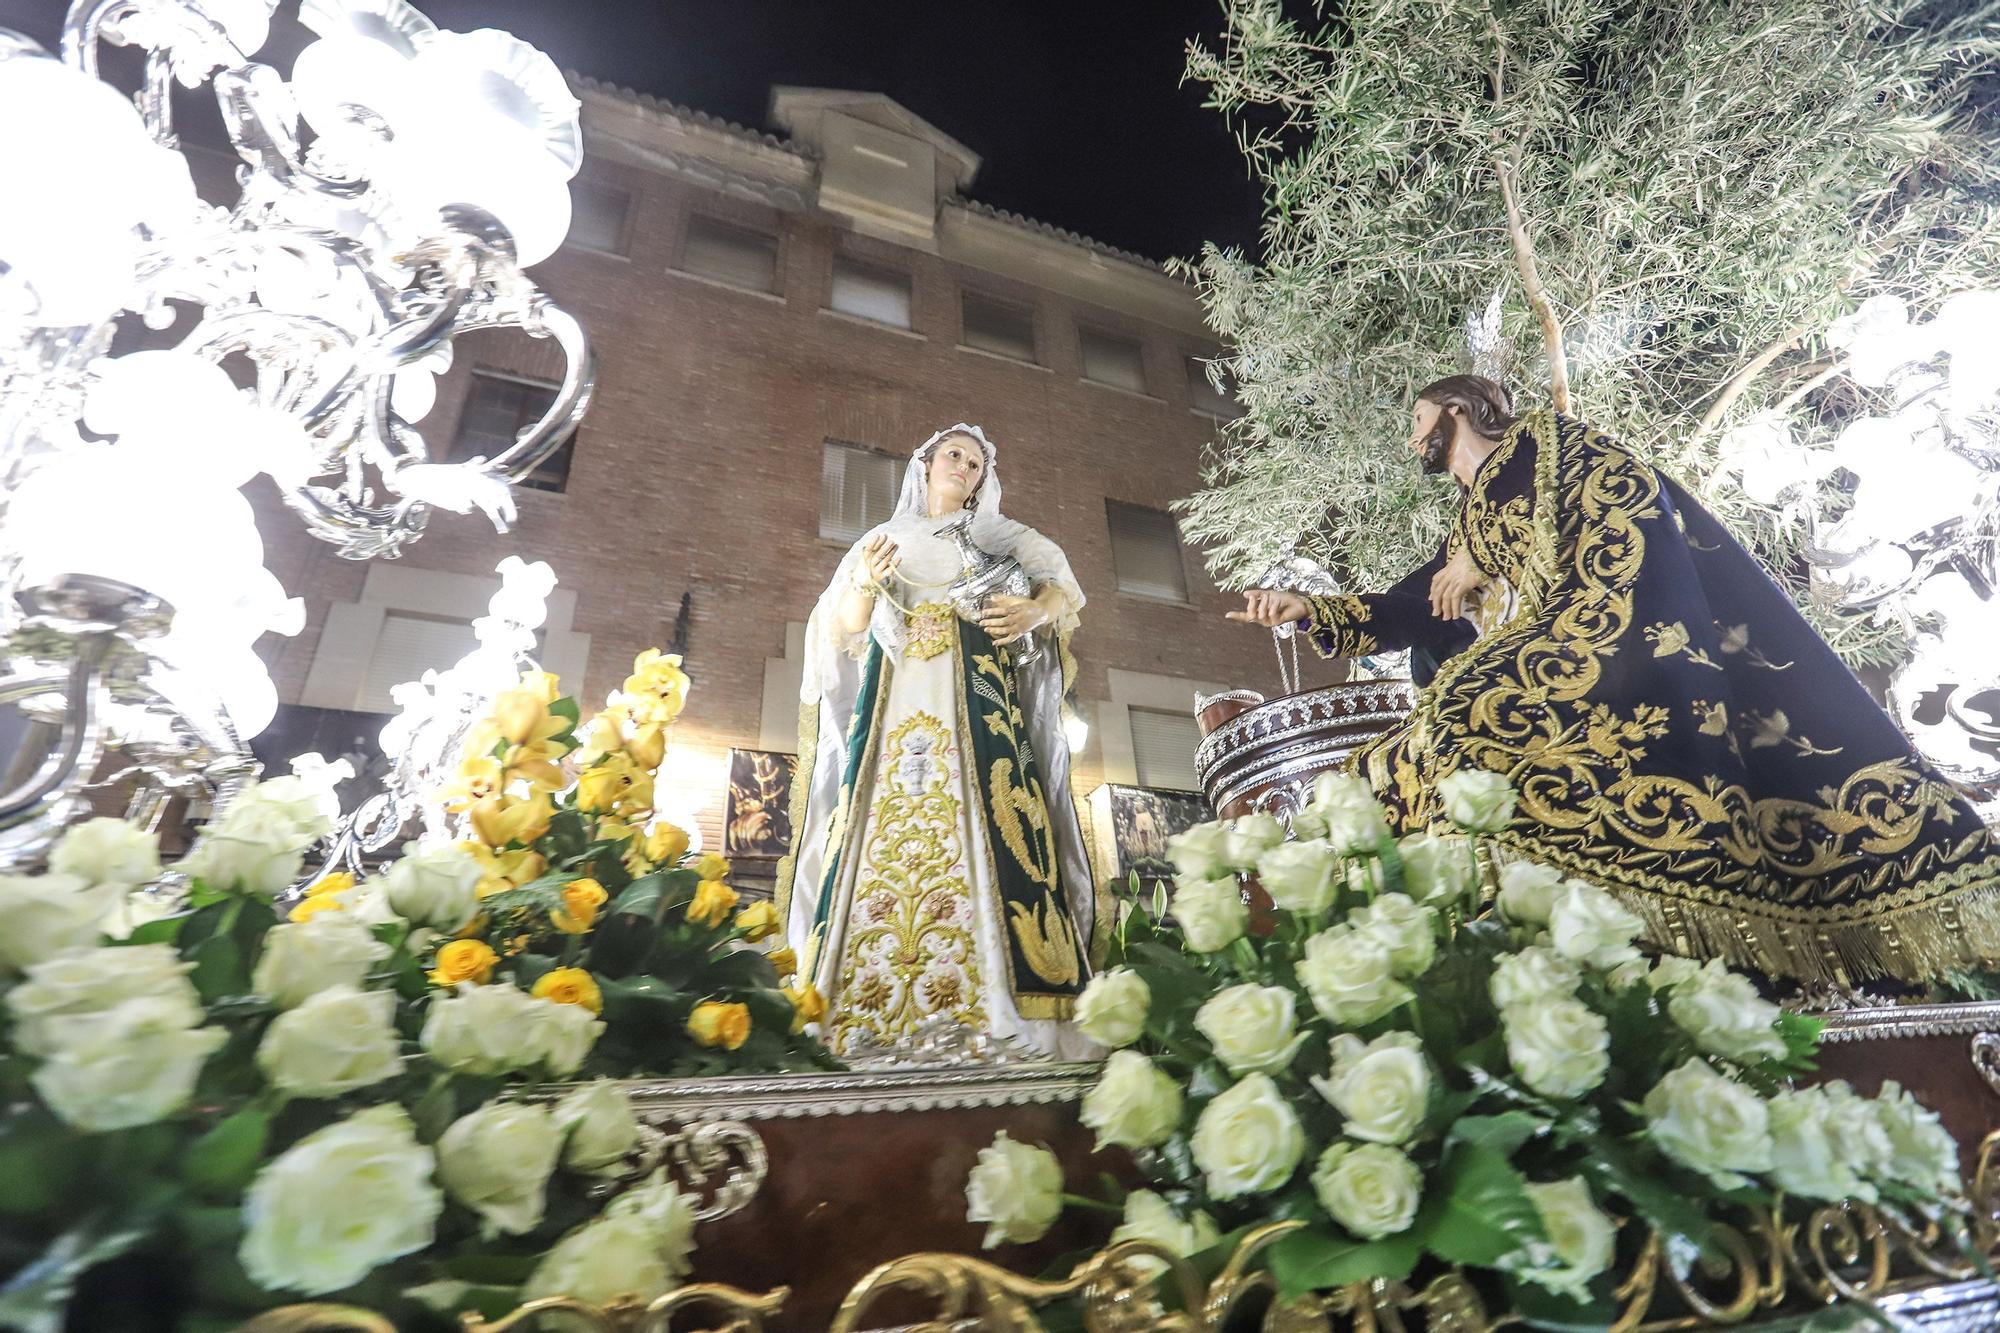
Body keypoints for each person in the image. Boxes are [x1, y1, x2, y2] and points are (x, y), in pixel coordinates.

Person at [1232, 374, 2000, 986]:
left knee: (1464, 711)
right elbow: (1412, 607)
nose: (1411, 438)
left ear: (1456, 410)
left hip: (1616, 650)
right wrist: (1309, 608)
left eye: (1417, 417)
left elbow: (1621, 493)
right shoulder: (1467, 521)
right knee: (1381, 763)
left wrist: (1487, 555)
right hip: (1551, 660)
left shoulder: (1543, 440)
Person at [777, 425, 1098, 1057]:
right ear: (925, 464)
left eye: (976, 463)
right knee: (878, 818)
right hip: (894, 706)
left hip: (977, 708)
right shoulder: (881, 539)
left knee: (986, 816)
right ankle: (854, 1005)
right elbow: (845, 628)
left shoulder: (1000, 537)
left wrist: (1034, 610)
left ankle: (999, 1003)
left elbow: (1060, 588)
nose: (965, 467)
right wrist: (868, 584)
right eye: (954, 455)